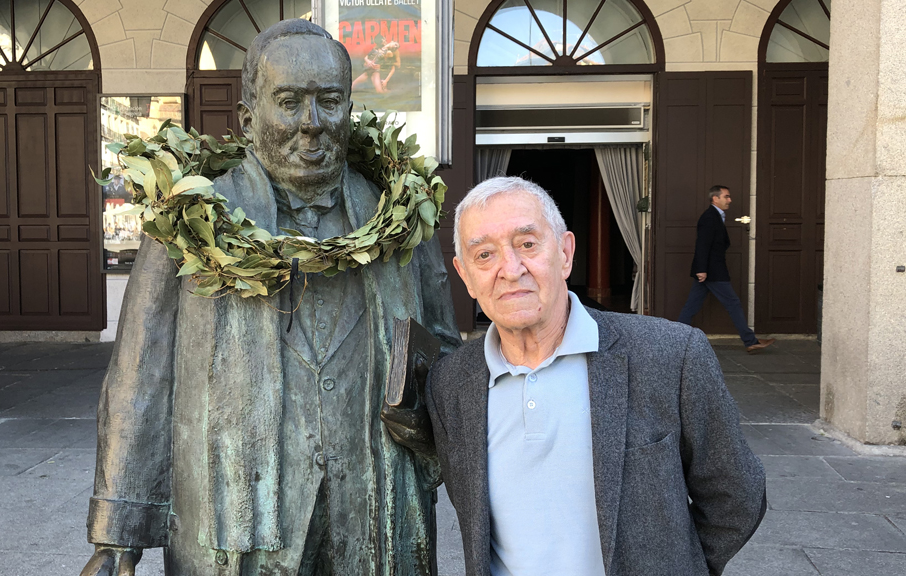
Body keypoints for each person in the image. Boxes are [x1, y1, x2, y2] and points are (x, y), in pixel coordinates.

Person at [80, 19, 460, 576]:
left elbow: (445, 351)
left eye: (328, 101)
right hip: (233, 520)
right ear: (249, 115)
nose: (311, 125)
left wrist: (430, 415)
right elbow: (142, 376)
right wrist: (118, 536)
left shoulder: (399, 219)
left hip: (376, 512)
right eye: (289, 102)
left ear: (348, 109)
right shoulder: (190, 221)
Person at [421, 177, 766, 576]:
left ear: (565, 253)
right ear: (465, 275)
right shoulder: (450, 383)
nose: (510, 270)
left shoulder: (670, 356)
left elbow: (736, 495)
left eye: (527, 244)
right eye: (484, 255)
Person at [678, 185, 775, 354]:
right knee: (733, 303)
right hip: (712, 271)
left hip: (710, 270)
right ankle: (750, 341)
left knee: (691, 306)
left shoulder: (716, 216)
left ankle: (674, 339)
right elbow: (702, 244)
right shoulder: (709, 217)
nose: (730, 200)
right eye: (726, 197)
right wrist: (702, 269)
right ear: (715, 198)